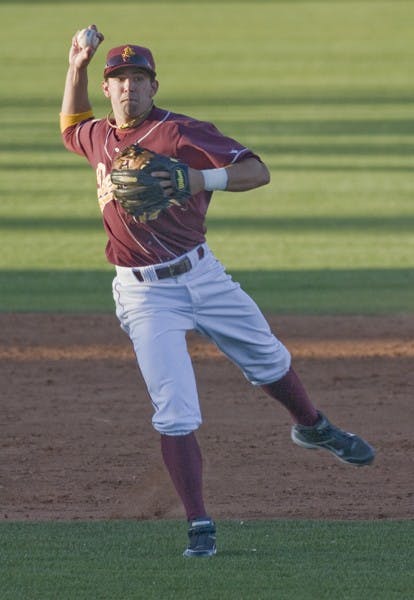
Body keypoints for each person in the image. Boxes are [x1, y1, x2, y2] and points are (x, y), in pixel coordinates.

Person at [60, 25, 375, 558]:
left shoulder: (181, 133)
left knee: (269, 359)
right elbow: (70, 124)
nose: (128, 89)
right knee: (175, 410)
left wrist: (201, 180)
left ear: (154, 87)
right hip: (142, 294)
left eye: (139, 79)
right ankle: (200, 525)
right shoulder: (97, 136)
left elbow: (258, 170)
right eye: (119, 80)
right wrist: (76, 66)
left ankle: (313, 427)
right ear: (108, 89)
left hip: (202, 275)